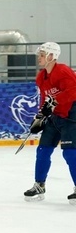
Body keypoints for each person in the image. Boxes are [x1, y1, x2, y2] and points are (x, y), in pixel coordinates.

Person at [22, 42, 76, 204]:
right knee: (43, 150)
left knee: (70, 153)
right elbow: (45, 98)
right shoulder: (41, 76)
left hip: (71, 116)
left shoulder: (63, 71)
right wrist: (40, 115)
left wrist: (53, 103)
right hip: (54, 117)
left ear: (52, 56)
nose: (39, 58)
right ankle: (39, 185)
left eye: (42, 54)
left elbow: (73, 91)